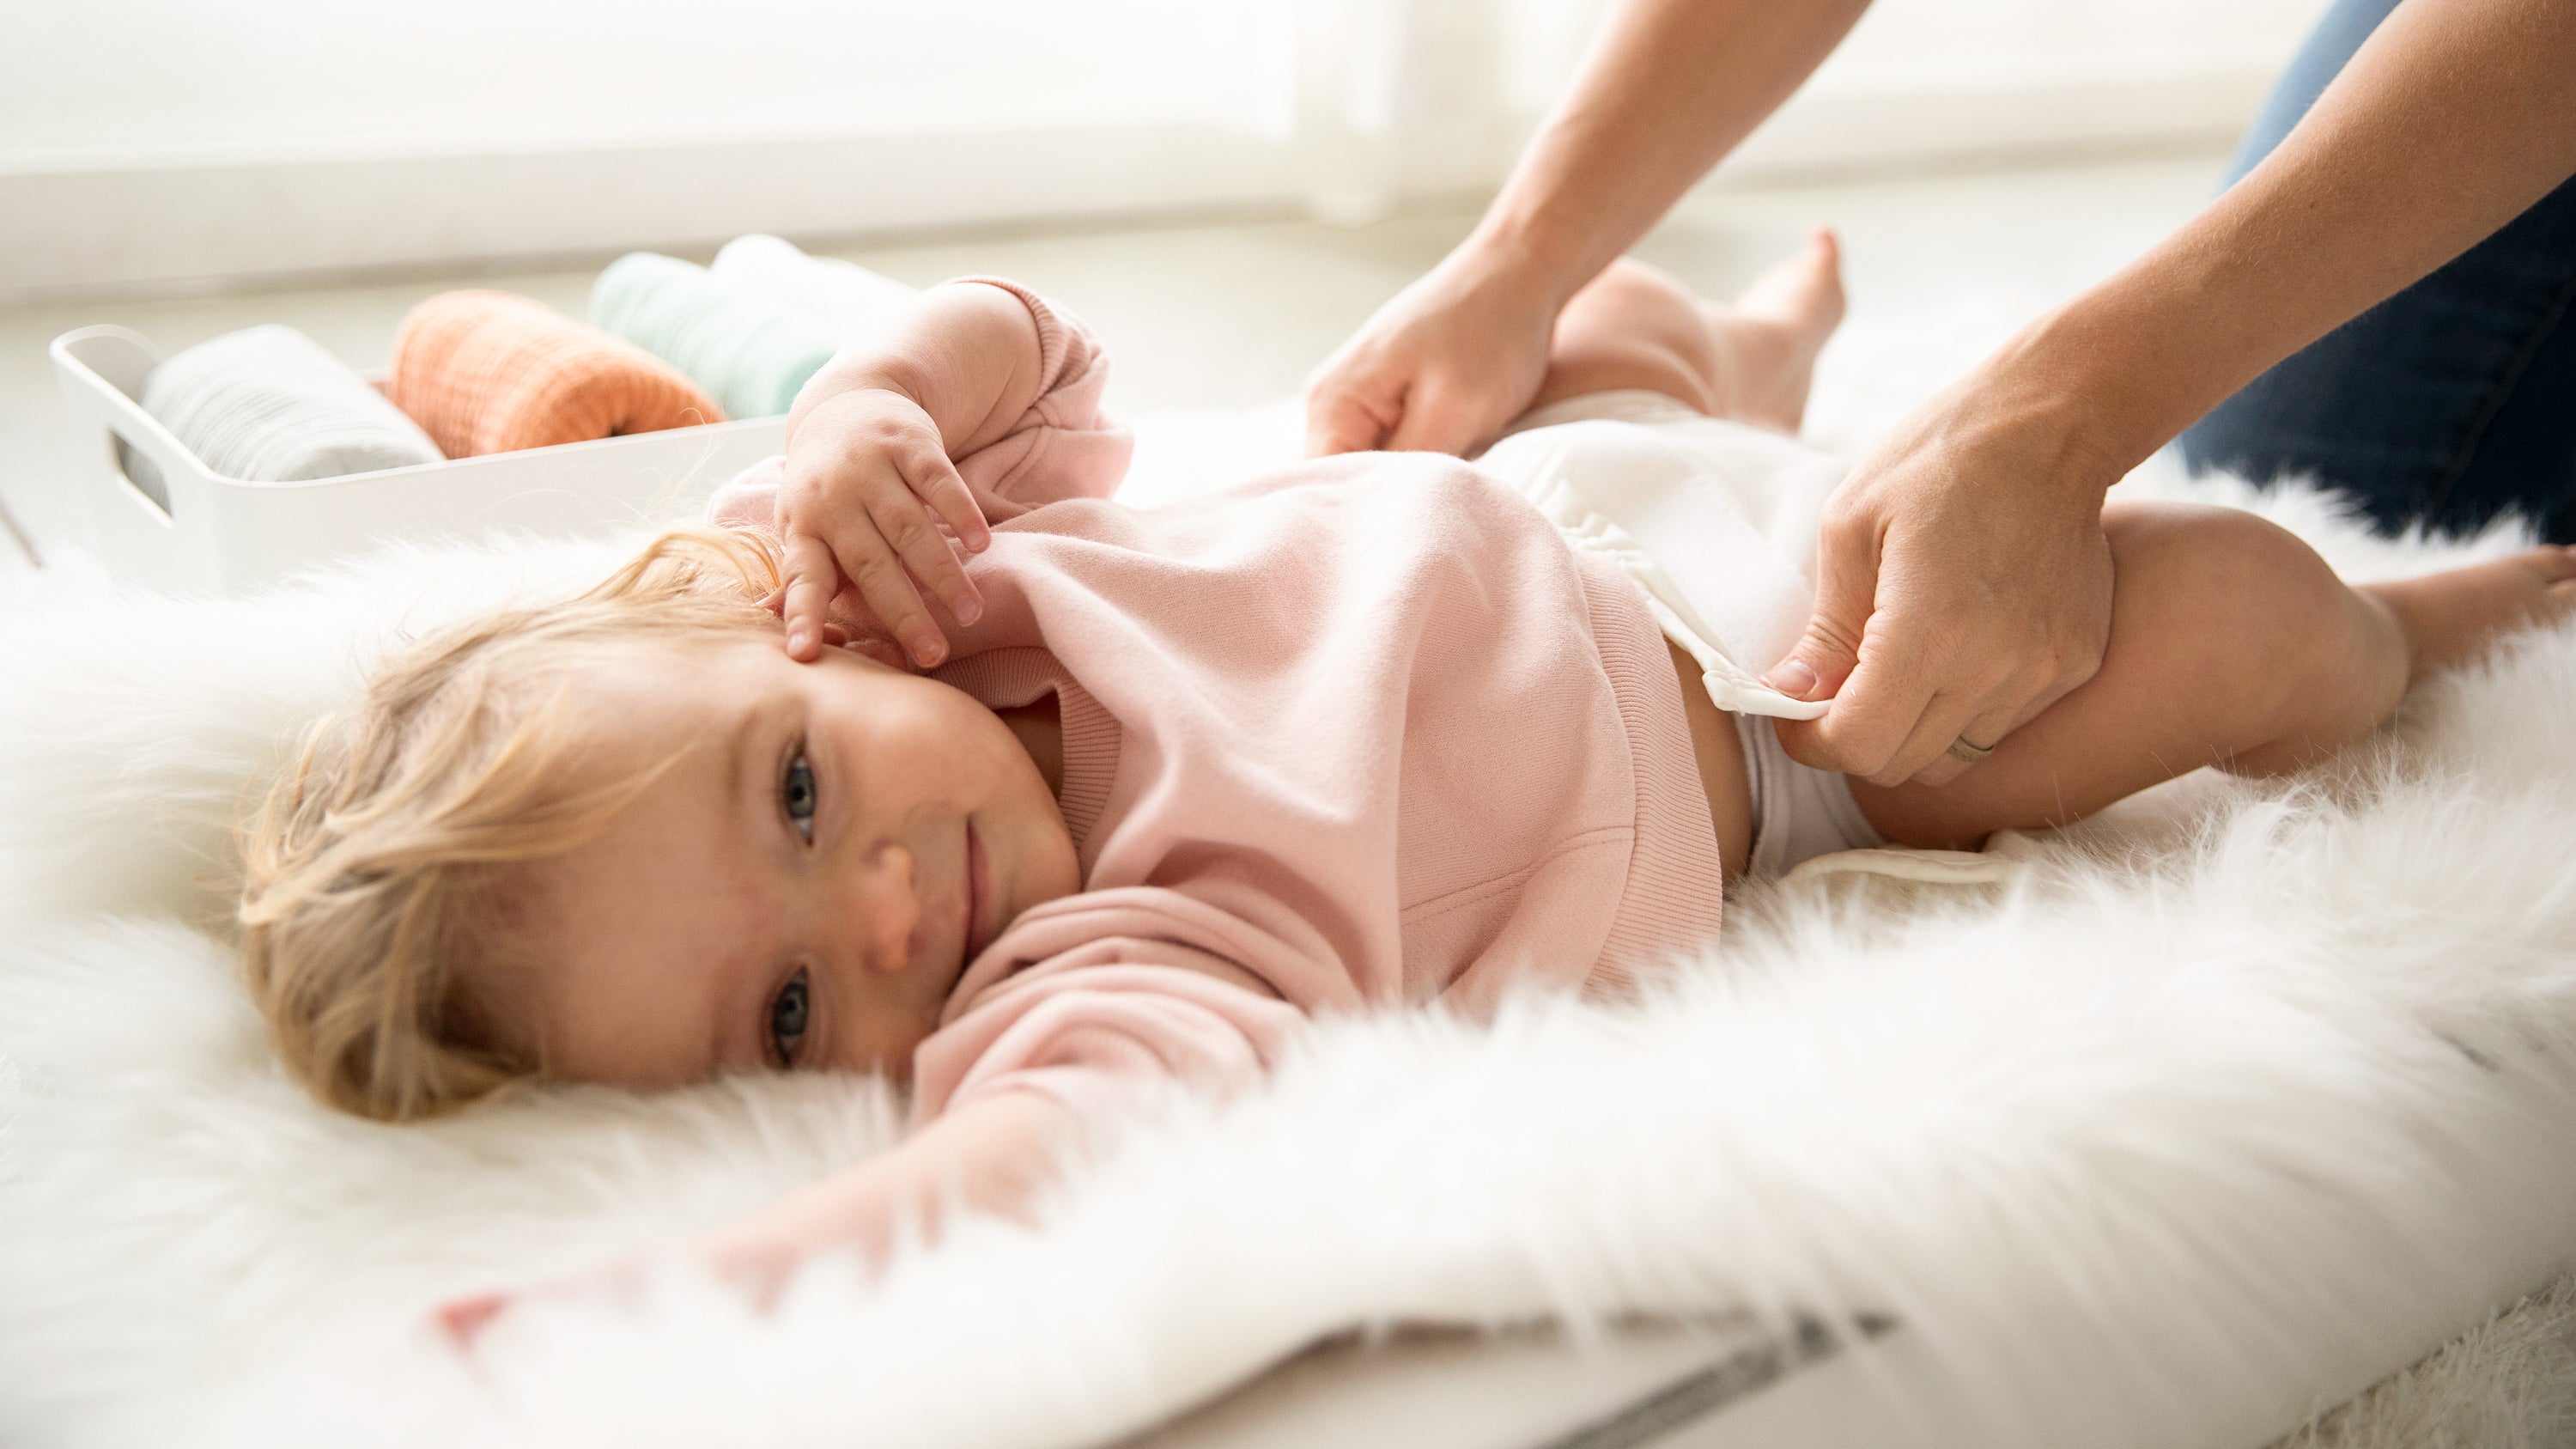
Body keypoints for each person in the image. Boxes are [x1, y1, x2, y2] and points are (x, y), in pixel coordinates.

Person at [231, 270, 2576, 1340]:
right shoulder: (1128, 956)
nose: (879, 914)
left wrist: (852, 409)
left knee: (1604, 342)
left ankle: (1745, 350)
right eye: (775, 1019)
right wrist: (676, 1295)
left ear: (790, 638)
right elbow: (1020, 1168)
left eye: (801, 794)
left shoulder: (940, 580)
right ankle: (2438, 631)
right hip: (1800, 723)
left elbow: (1034, 342)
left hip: (1560, 501)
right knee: (2231, 615)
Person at [1302, 0, 2576, 792]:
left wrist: (2069, 406)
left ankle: (2403, 634)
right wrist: (1517, 263)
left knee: (2267, 576)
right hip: (1578, 496)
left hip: (1767, 707)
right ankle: (1740, 375)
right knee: (1600, 315)